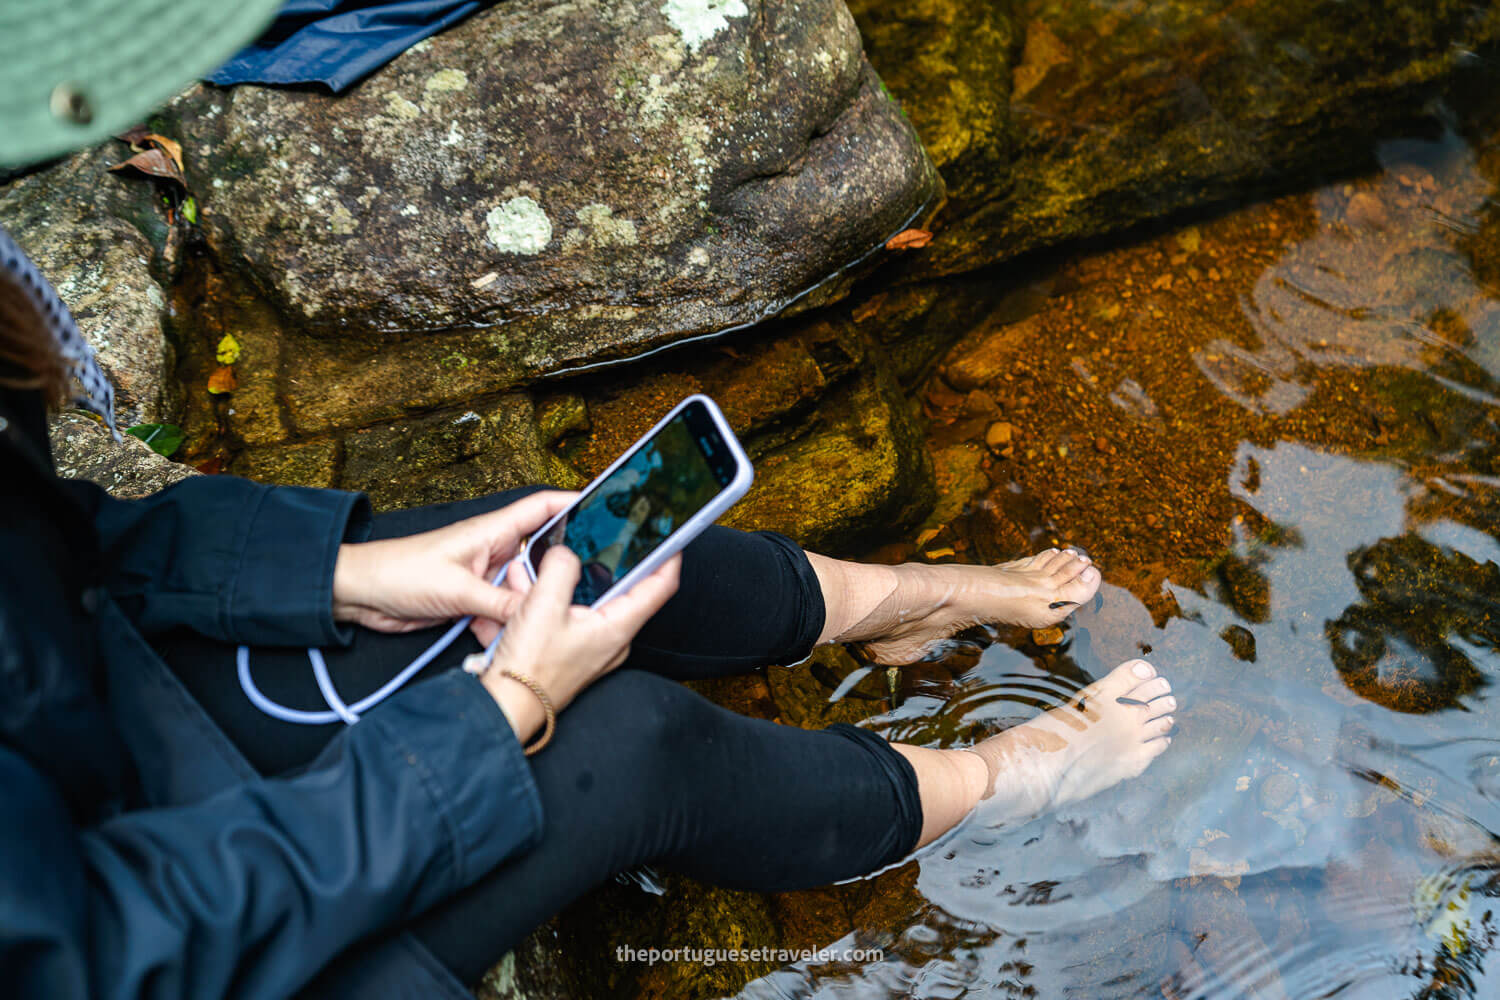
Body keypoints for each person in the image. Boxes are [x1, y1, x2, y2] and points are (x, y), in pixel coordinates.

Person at [0, 6, 1177, 998]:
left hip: (117, 701)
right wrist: (498, 712)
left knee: (565, 542)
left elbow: (57, 541)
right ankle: (1009, 779)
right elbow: (100, 952)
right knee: (630, 740)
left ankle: (906, 601)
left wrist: (335, 573)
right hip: (162, 941)